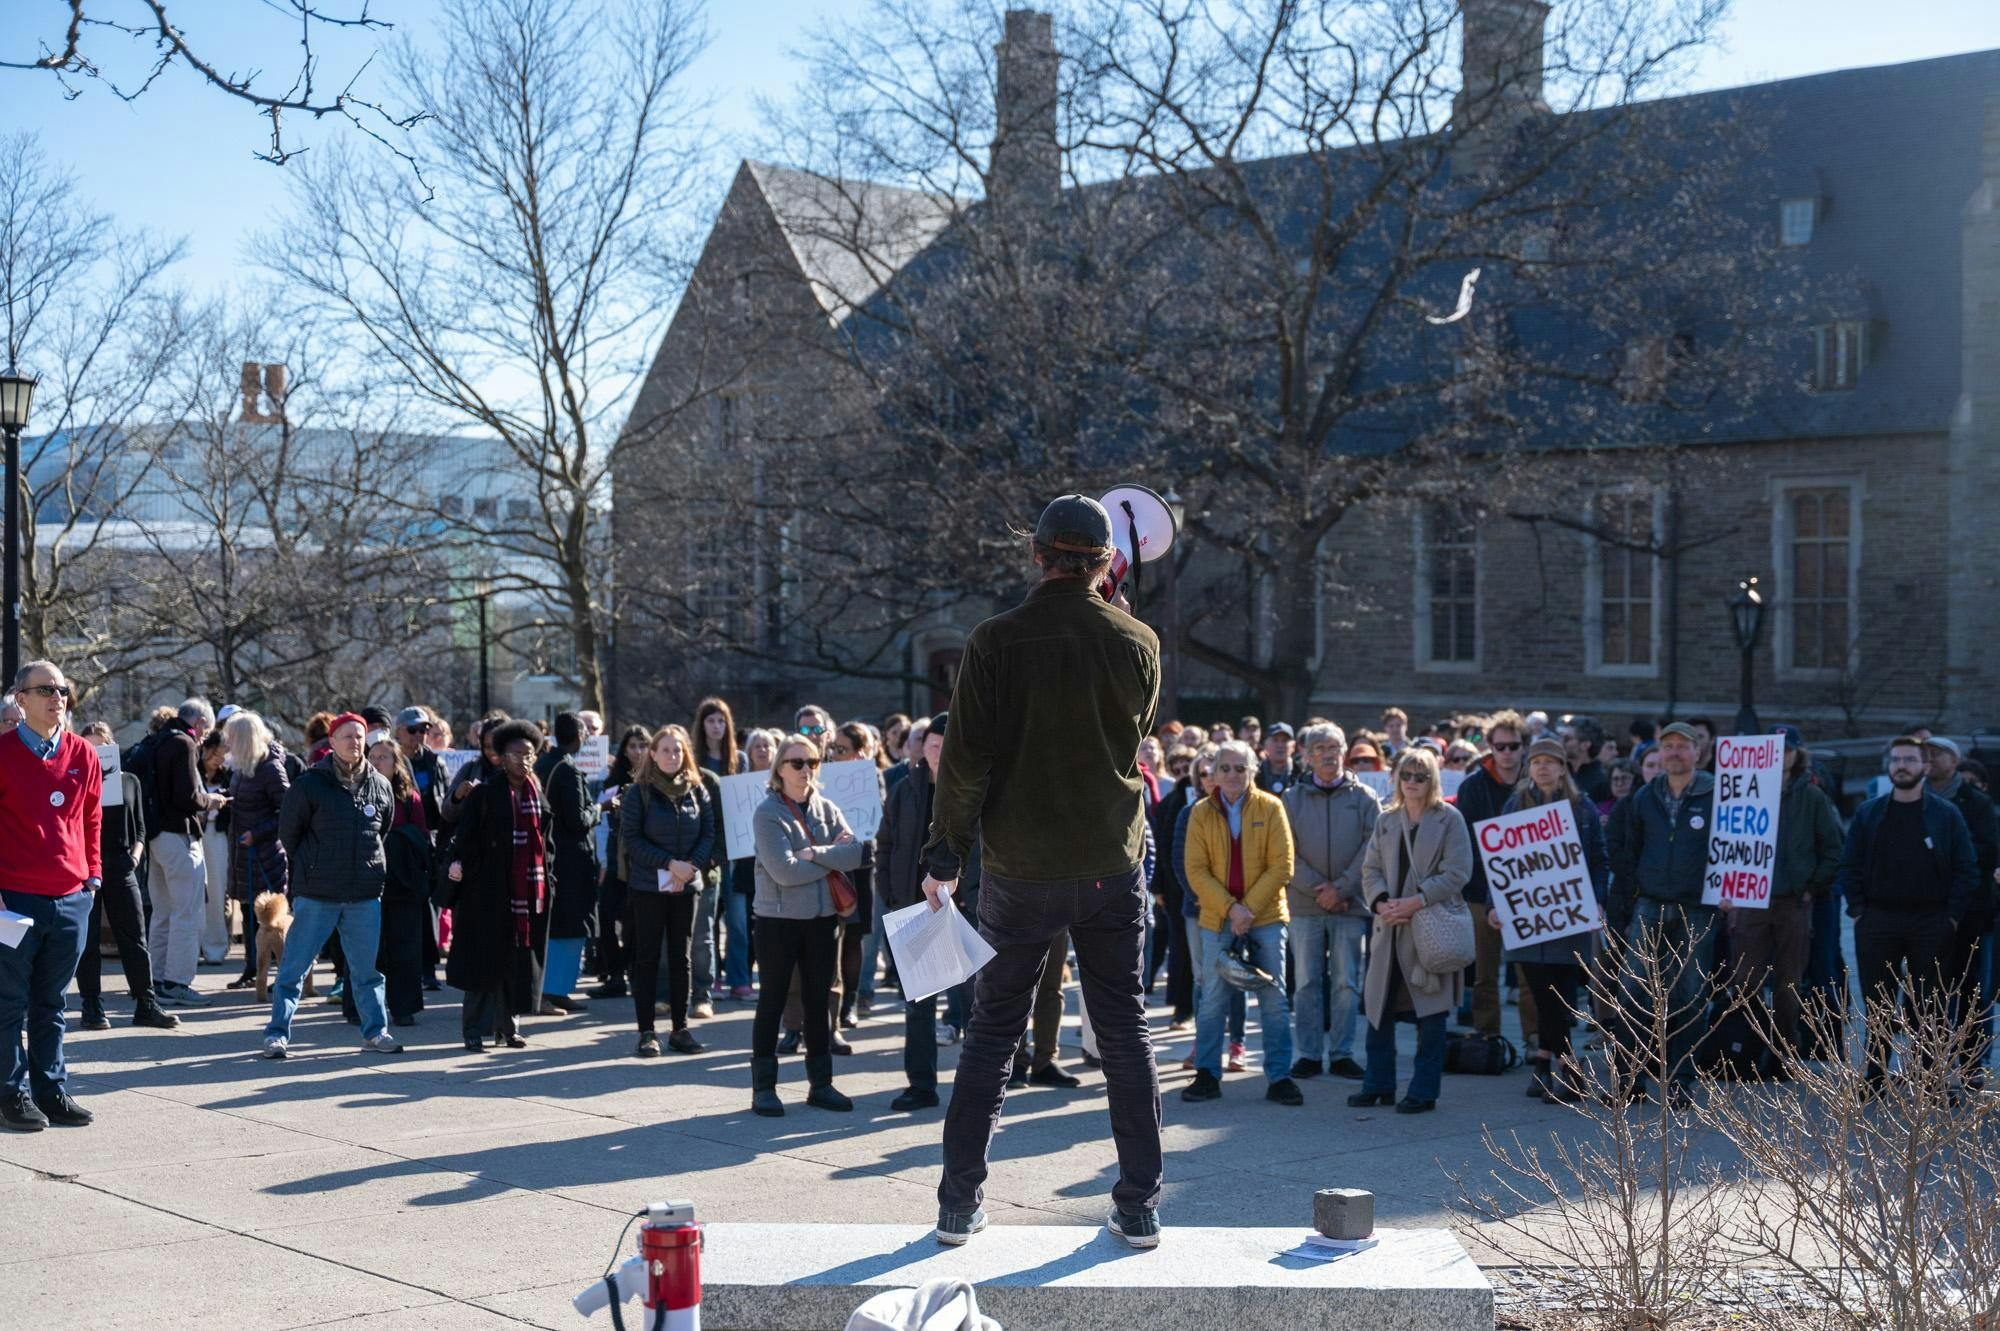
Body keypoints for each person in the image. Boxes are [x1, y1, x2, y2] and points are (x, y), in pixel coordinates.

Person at [922, 494, 1163, 1249]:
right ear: (1105, 563)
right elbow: (1134, 736)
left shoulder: (995, 640)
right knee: (1124, 1032)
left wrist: (943, 857)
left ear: (1036, 555)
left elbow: (964, 761)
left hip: (1022, 865)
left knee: (993, 1031)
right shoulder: (1137, 639)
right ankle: (1139, 1203)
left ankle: (960, 1201)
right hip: (1106, 860)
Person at [1838, 736, 1977, 1087]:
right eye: (1897, 759)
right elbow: (1849, 863)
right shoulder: (1870, 813)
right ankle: (1875, 1076)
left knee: (1929, 1005)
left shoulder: (1946, 815)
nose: (1902, 765)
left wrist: (1952, 915)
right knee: (1877, 1002)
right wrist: (1857, 909)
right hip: (1877, 920)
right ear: (1888, 766)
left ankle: (1927, 1077)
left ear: (1924, 767)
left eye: (1910, 760)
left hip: (1931, 921)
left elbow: (1966, 867)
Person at [0, 661, 103, 1130]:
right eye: (44, 689)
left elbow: (92, 820)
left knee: (53, 1003)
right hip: (14, 899)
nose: (56, 696)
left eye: (62, 689)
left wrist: (92, 878)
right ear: (19, 700)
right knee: (8, 1002)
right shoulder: (2, 753)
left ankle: (51, 1088)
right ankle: (11, 1092)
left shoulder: (83, 753)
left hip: (71, 897)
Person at [261, 714, 401, 1058]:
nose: (354, 742)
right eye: (346, 736)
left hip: (364, 894)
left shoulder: (380, 784)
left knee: (367, 972)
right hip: (318, 893)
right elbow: (289, 835)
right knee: (293, 968)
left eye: (359, 736)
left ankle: (375, 1031)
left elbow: (382, 831)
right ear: (332, 742)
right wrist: (312, 865)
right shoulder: (310, 784)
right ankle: (277, 1033)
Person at [1349, 746, 1473, 1115]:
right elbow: (1369, 868)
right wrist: (1382, 901)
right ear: (1397, 778)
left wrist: (1416, 901)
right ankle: (1378, 1084)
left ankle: (1423, 1090)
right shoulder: (1387, 819)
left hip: (1428, 928)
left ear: (1432, 779)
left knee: (1431, 1017)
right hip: (1389, 927)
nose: (1413, 782)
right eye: (1407, 775)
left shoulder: (1449, 819)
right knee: (1378, 1011)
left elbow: (1458, 872)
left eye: (1421, 776)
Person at [1486, 738, 1608, 1103]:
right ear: (1529, 767)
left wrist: (1598, 902)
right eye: (1536, 761)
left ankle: (1561, 1068)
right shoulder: (1515, 804)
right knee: (1540, 994)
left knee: (1563, 995)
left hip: (1567, 917)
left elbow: (1598, 859)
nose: (1542, 767)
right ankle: (1553, 1065)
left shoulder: (1581, 807)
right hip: (1527, 918)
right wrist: (1496, 904)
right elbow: (1499, 864)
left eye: (1549, 762)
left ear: (1561, 768)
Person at [1180, 738, 1298, 1105]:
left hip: (1265, 917)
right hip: (1217, 918)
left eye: (1240, 768)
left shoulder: (1272, 807)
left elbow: (1283, 865)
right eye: (1225, 768)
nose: (1232, 775)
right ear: (1213, 773)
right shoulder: (1200, 812)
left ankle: (1280, 1077)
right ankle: (1207, 1073)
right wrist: (1232, 909)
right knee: (1213, 998)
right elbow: (1195, 870)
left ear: (1252, 772)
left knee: (1274, 999)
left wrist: (1247, 909)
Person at [1605, 722, 1718, 1106]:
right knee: (1634, 991)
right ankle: (1628, 1079)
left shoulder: (1718, 794)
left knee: (1689, 995)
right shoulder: (1644, 797)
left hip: (1696, 907)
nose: (1673, 753)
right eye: (1666, 746)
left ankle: (1681, 1081)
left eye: (1681, 747)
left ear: (1696, 753)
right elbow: (1629, 850)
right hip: (1650, 903)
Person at [750, 734, 863, 1115]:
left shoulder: (828, 809)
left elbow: (856, 853)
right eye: (796, 763)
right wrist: (832, 857)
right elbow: (783, 871)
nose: (805, 770)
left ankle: (821, 1084)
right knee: (773, 1000)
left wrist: (814, 853)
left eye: (812, 762)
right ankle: (764, 1087)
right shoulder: (768, 813)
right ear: (779, 769)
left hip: (822, 920)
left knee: (819, 1004)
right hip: (777, 921)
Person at [1728, 725, 1843, 1072]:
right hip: (1752, 897)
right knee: (1746, 978)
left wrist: (1812, 887)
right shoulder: (1745, 790)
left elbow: (1834, 848)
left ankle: (1784, 1052)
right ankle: (1746, 1048)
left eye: (1788, 750)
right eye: (1776, 750)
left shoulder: (1812, 797)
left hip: (1792, 900)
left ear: (1797, 754)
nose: (1782, 756)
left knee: (1788, 982)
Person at [444, 719, 551, 1052]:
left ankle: (510, 1027)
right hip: (487, 892)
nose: (524, 760)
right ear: (502, 757)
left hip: (526, 894)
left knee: (515, 964)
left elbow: (547, 844)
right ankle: (473, 1028)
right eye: (516, 754)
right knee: (483, 964)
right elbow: (466, 840)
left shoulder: (537, 795)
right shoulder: (486, 794)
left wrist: (549, 880)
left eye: (529, 754)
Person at [1283, 722, 1379, 1081]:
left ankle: (1341, 1053)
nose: (1327, 754)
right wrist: (1320, 891)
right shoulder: (1291, 800)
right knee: (1306, 982)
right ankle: (1308, 1053)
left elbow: (1373, 849)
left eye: (1334, 747)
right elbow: (1285, 852)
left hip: (1350, 906)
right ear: (1307, 756)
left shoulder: (1365, 798)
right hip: (1305, 906)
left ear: (1345, 753)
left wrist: (1342, 889)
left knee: (1346, 982)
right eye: (1320, 748)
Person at [74, 722, 178, 1032]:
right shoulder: (74, 780)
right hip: (84, 864)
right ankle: (91, 1005)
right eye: (87, 746)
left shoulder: (129, 780)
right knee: (87, 938)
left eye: (99, 746)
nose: (94, 752)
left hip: (120, 862)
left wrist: (135, 854)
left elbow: (141, 826)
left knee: (134, 934)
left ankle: (146, 1003)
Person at [620, 724, 715, 1057]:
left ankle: (680, 1029)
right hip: (649, 887)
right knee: (647, 959)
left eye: (677, 750)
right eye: (665, 750)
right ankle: (647, 1032)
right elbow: (632, 840)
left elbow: (709, 834)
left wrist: (689, 866)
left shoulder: (696, 789)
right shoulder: (639, 792)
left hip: (687, 886)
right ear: (653, 754)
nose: (672, 756)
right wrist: (668, 863)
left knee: (681, 958)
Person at [879, 713, 948, 1109]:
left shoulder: (972, 790)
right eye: (933, 745)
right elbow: (885, 844)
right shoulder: (905, 790)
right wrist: (890, 894)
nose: (939, 752)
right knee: (918, 1005)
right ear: (922, 748)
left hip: (963, 910)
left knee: (976, 1005)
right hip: (914, 909)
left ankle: (985, 1087)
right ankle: (921, 1085)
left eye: (945, 746)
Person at [1925, 736, 2000, 1084]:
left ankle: (1970, 1064)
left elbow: (1987, 851)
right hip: (1925, 911)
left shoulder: (1977, 803)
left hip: (1971, 912)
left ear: (1954, 760)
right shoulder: (1913, 798)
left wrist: (1947, 848)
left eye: (1937, 753)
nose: (1930, 759)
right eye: (1927, 754)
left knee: (1971, 990)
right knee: (1928, 990)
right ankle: (1929, 1063)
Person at [1454, 710, 1530, 1042]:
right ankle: (1487, 1035)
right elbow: (1466, 839)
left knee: (1530, 973)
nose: (1507, 753)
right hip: (1479, 890)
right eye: (1501, 747)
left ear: (1523, 747)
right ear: (1490, 747)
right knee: (1484, 972)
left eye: (1514, 746)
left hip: (1530, 891)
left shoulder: (1536, 782)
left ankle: (1535, 1037)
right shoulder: (1473, 785)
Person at [148, 697, 227, 1007]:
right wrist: (211, 800)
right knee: (187, 911)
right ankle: (177, 981)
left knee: (163, 912)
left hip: (154, 836)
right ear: (201, 723)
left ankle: (154, 979)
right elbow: (189, 796)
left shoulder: (157, 740)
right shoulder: (184, 743)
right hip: (179, 836)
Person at [534, 713, 600, 1016]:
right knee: (570, 925)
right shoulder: (568, 770)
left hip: (551, 855)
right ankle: (554, 990)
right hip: (572, 859)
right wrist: (600, 808)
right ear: (578, 734)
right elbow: (578, 820)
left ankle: (555, 990)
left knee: (557, 924)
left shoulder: (543, 763)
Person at [366, 735, 432, 1027]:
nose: (377, 761)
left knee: (405, 946)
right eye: (373, 756)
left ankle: (403, 1006)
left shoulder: (409, 797)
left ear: (396, 763)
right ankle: (365, 1007)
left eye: (384, 757)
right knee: (369, 947)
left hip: (404, 880)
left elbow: (421, 837)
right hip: (367, 880)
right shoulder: (358, 790)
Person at [224, 712, 291, 991]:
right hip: (244, 854)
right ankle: (253, 969)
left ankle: (282, 973)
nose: (226, 742)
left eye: (231, 737)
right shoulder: (242, 766)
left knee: (272, 920)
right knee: (250, 916)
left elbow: (288, 811)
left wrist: (258, 833)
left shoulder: (270, 767)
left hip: (265, 856)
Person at [694, 697, 754, 1004]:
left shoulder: (739, 759)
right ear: (702, 724)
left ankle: (739, 979)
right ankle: (712, 978)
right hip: (707, 849)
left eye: (721, 721)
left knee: (738, 920)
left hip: (739, 850)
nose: (716, 727)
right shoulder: (693, 759)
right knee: (708, 919)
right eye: (710, 721)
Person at [589, 724, 652, 1000]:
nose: (637, 751)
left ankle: (635, 973)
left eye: (642, 745)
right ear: (624, 750)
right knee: (605, 918)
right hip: (615, 861)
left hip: (643, 863)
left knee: (637, 923)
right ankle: (615, 974)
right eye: (632, 746)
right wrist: (603, 861)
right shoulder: (612, 783)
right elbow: (602, 826)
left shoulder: (654, 780)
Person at [197, 730, 234, 966]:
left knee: (218, 891)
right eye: (214, 753)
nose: (217, 759)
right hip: (196, 835)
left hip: (219, 836)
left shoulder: (229, 777)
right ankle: (195, 945)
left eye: (222, 755)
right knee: (196, 891)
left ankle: (216, 947)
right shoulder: (194, 773)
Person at [395, 707, 448, 832]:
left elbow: (446, 798)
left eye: (423, 730)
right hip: (402, 833)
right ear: (398, 732)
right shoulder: (390, 762)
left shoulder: (436, 762)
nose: (418, 734)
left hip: (432, 833)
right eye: (412, 730)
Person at [1563, 715, 1612, 806]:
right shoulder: (1559, 774)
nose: (1561, 741)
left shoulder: (1603, 782)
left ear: (1585, 745)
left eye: (1567, 738)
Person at [1256, 724, 1297, 797]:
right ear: (1265, 745)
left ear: (1293, 746)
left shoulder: (1300, 776)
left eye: (1284, 740)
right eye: (1275, 740)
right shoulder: (1255, 775)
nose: (1280, 745)